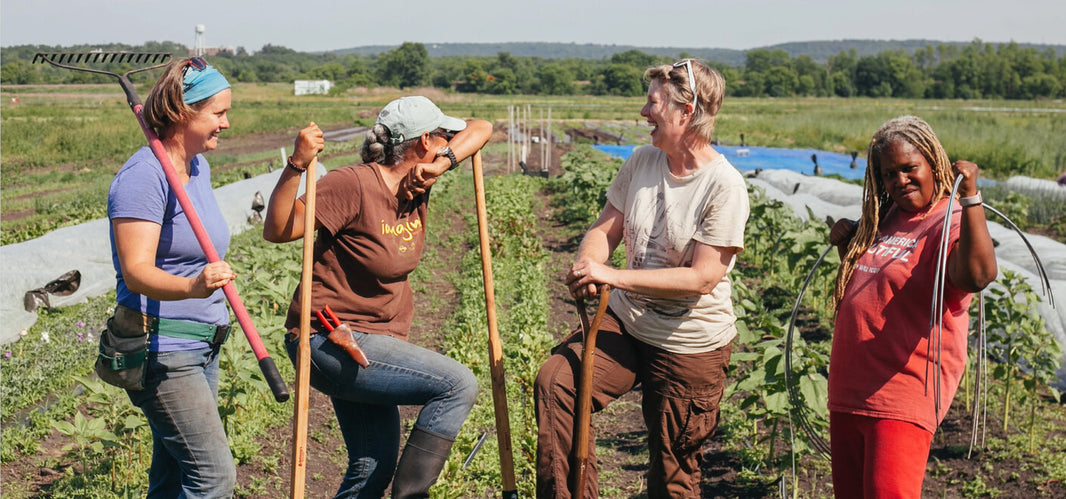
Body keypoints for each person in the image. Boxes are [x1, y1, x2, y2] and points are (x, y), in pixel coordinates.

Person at [534, 59, 749, 498]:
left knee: (673, 475)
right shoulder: (642, 161)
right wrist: (588, 264)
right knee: (558, 383)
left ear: (685, 112)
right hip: (627, 322)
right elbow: (603, 229)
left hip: (688, 341)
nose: (643, 112)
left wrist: (611, 274)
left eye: (652, 103)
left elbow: (702, 278)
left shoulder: (723, 186)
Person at [263, 96, 491, 498]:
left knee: (373, 465)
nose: (449, 142)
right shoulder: (352, 184)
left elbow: (483, 127)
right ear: (424, 140)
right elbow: (279, 230)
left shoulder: (422, 179)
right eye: (443, 138)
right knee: (457, 384)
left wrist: (443, 162)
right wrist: (296, 165)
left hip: (378, 339)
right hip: (326, 338)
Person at [827, 115, 997, 498]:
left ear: (933, 164)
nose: (899, 181)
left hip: (901, 394)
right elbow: (872, 285)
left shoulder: (948, 222)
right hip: (851, 391)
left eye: (909, 169)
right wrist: (845, 245)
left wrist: (971, 197)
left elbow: (978, 275)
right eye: (889, 174)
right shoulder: (885, 216)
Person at [107, 57, 238, 497]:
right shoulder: (144, 176)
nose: (226, 123)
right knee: (213, 478)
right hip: (164, 350)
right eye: (218, 113)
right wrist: (192, 287)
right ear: (184, 113)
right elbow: (137, 271)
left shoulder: (196, 167)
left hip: (203, 345)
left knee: (173, 479)